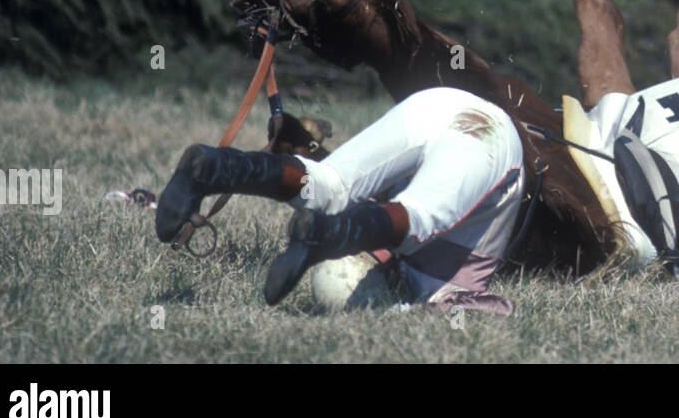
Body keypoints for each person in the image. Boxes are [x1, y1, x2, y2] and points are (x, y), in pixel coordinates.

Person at [155, 87, 525, 313]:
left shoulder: (403, 268)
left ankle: (222, 166)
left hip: (441, 103)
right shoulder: (443, 292)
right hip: (487, 135)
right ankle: (326, 236)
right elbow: (467, 310)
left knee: (330, 184)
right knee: (419, 216)